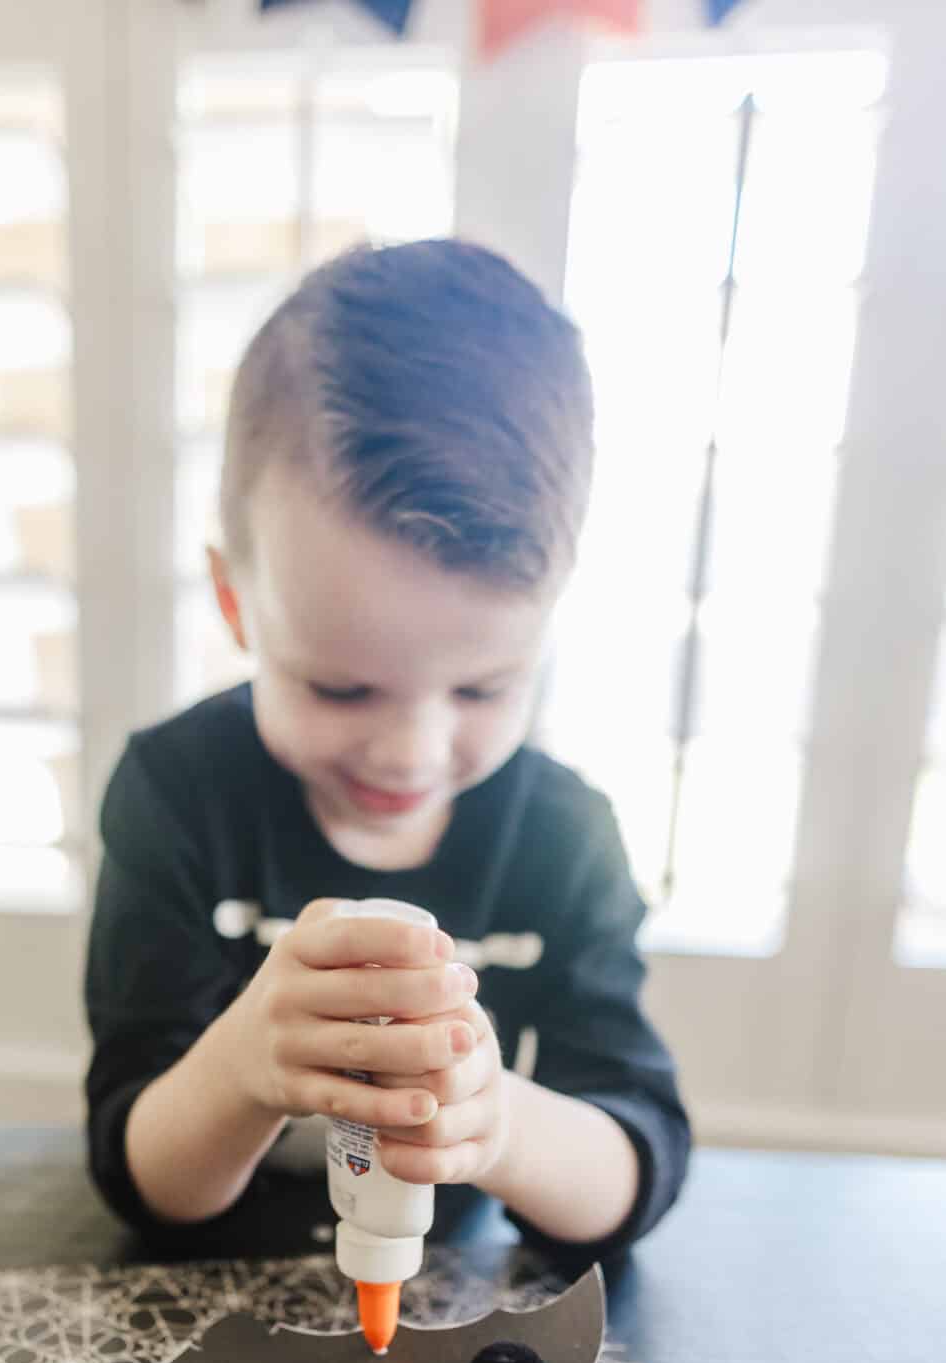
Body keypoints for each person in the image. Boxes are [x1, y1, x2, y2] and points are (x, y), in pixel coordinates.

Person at [84, 238, 689, 1268]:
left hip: (448, 1298)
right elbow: (142, 1178)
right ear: (237, 601)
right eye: (341, 685)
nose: (411, 750)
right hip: (209, 1296)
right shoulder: (177, 793)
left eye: (484, 687)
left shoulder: (567, 836)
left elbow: (636, 1165)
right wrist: (241, 1064)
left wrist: (494, 1121)